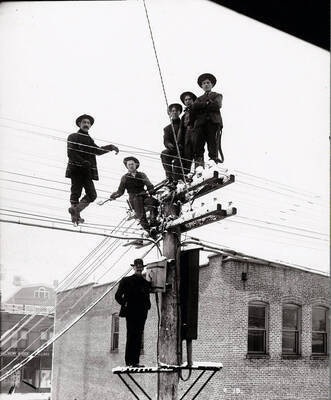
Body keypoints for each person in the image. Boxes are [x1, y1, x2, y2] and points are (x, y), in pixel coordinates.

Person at [65, 114, 119, 224]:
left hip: (87, 171)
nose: (86, 124)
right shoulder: (73, 136)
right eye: (84, 122)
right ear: (79, 124)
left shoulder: (89, 139)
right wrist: (82, 162)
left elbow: (97, 151)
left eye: (88, 123)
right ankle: (76, 216)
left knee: (92, 195)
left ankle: (75, 211)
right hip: (76, 169)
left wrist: (110, 147)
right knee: (76, 192)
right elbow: (71, 153)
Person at [115, 258, 152, 367]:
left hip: (142, 313)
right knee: (131, 335)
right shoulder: (126, 280)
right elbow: (117, 296)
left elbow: (147, 297)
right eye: (137, 266)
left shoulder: (146, 283)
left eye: (141, 266)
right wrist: (125, 304)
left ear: (143, 268)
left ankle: (135, 362)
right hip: (131, 313)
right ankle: (129, 362)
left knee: (138, 336)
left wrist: (147, 306)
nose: (139, 268)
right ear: (133, 267)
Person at [110, 156, 158, 236]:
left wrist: (151, 190)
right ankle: (148, 230)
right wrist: (114, 195)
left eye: (132, 164)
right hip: (134, 198)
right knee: (141, 215)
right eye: (129, 165)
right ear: (126, 166)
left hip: (143, 196)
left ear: (136, 165)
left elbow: (149, 184)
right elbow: (120, 191)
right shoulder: (124, 177)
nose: (131, 166)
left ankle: (153, 221)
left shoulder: (142, 175)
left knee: (154, 202)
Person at [190, 73, 223, 167]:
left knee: (212, 146)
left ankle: (212, 167)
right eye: (204, 83)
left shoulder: (217, 95)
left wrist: (201, 106)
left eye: (208, 82)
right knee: (198, 147)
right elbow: (194, 108)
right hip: (200, 125)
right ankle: (199, 169)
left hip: (213, 124)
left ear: (212, 84)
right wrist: (207, 104)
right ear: (201, 86)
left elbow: (217, 105)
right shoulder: (198, 99)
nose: (206, 85)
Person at [160, 103, 185, 186]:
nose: (174, 112)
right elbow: (166, 140)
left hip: (184, 149)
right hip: (173, 149)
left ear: (179, 112)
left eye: (176, 111)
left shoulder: (184, 124)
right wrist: (170, 145)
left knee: (177, 160)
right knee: (164, 153)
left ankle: (177, 178)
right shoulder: (167, 128)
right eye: (172, 111)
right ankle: (170, 178)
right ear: (169, 113)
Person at [178, 91, 197, 177]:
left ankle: (199, 174)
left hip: (196, 134)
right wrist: (179, 142)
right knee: (187, 157)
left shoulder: (198, 110)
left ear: (193, 100)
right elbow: (181, 129)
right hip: (187, 136)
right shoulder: (183, 115)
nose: (188, 101)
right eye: (186, 100)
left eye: (189, 99)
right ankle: (187, 176)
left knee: (198, 154)